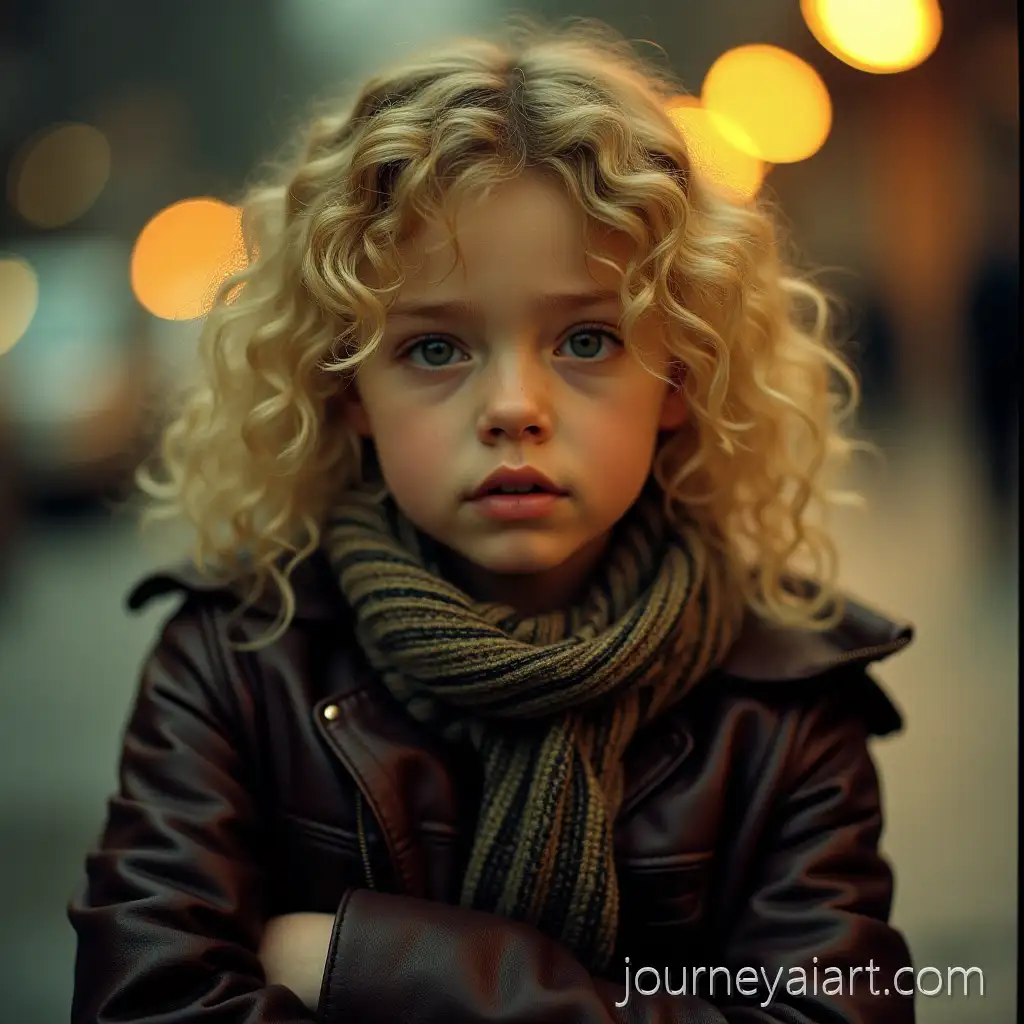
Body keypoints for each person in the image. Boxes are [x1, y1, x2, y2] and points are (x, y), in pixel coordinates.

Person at [68, 19, 917, 1023]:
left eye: (588, 338)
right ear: (346, 389)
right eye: (435, 349)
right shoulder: (234, 661)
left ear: (679, 374)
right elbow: (148, 998)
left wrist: (363, 958)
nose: (514, 405)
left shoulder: (783, 705)